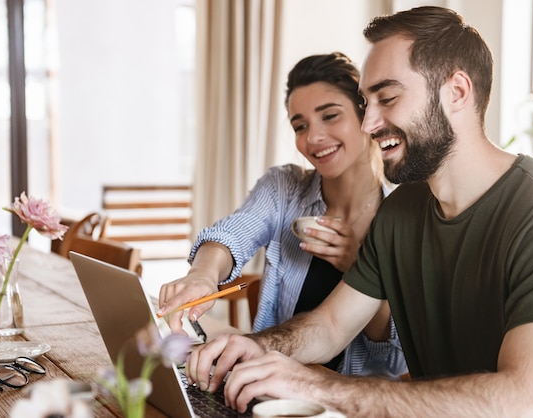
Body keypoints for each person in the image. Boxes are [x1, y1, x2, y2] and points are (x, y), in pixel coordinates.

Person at [184, 6, 533, 417]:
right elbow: (332, 327)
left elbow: (528, 404)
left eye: (387, 98)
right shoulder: (402, 211)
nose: (369, 123)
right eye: (366, 102)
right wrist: (256, 347)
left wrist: (321, 385)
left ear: (457, 92)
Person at [158, 52, 407, 378]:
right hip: (266, 389)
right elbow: (232, 234)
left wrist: (360, 269)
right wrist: (203, 275)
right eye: (300, 125)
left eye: (330, 116)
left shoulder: (402, 217)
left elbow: (393, 361)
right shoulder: (285, 188)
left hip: (347, 404)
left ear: (366, 116)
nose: (313, 138)